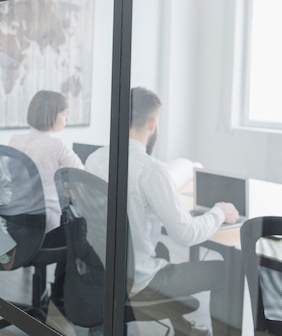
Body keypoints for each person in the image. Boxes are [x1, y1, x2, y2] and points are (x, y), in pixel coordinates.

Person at [85, 86, 239, 336]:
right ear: (153, 122)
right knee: (225, 271)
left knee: (162, 249)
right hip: (138, 281)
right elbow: (186, 234)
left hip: (103, 270)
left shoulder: (95, 158)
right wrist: (219, 212)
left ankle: (185, 330)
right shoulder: (150, 169)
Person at [0, 90, 84, 304]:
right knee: (81, 231)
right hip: (45, 232)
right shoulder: (56, 144)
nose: (67, 118)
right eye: (64, 113)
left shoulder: (15, 139)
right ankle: (61, 296)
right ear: (52, 114)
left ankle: (54, 295)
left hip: (17, 228)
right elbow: (82, 179)